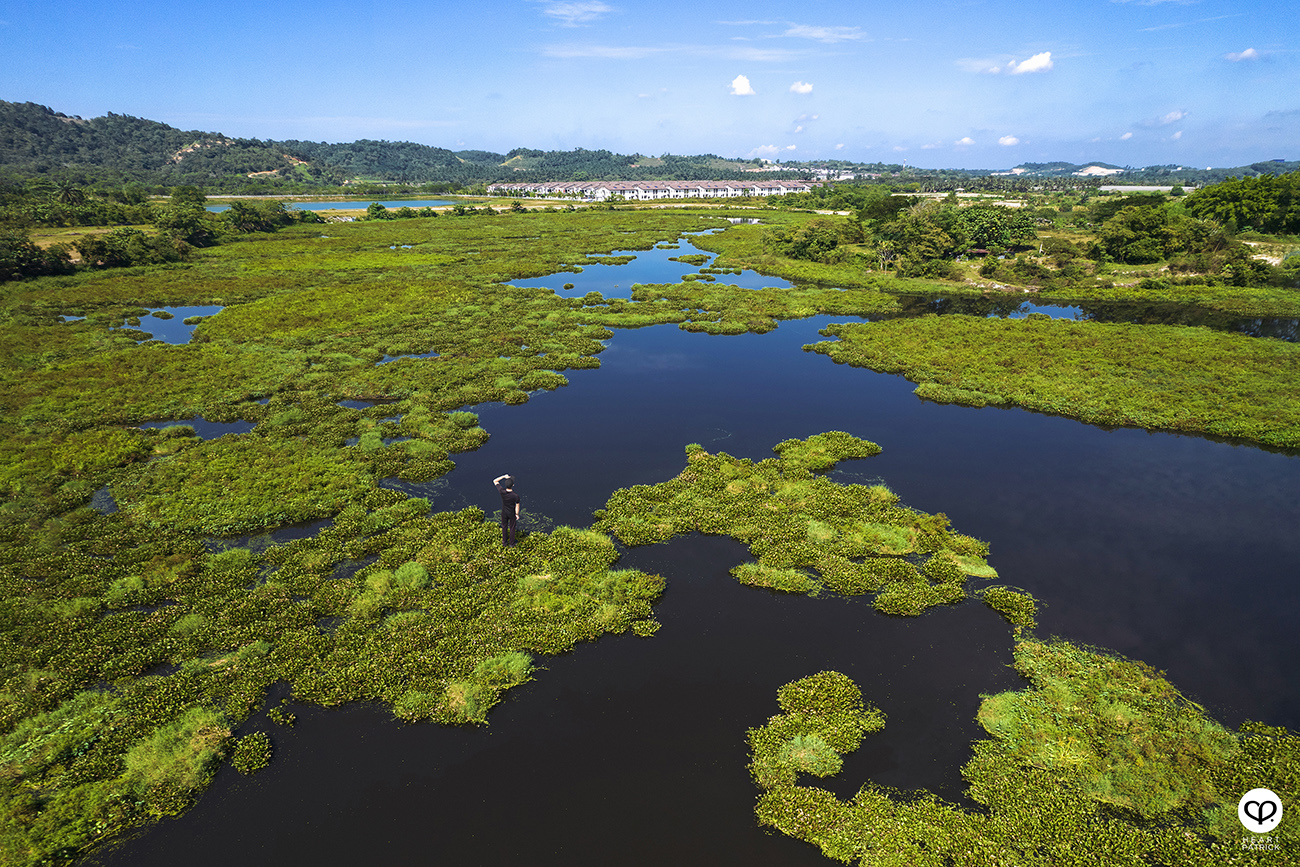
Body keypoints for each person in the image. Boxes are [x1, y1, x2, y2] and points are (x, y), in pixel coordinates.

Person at [493, 474, 521, 546]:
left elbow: (495, 481)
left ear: (506, 485)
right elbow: (517, 506)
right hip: (511, 513)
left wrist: (503, 477)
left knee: (504, 526)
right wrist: (517, 514)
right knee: (512, 528)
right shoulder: (515, 496)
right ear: (513, 485)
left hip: (504, 512)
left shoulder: (502, 492)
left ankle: (504, 543)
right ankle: (511, 544)